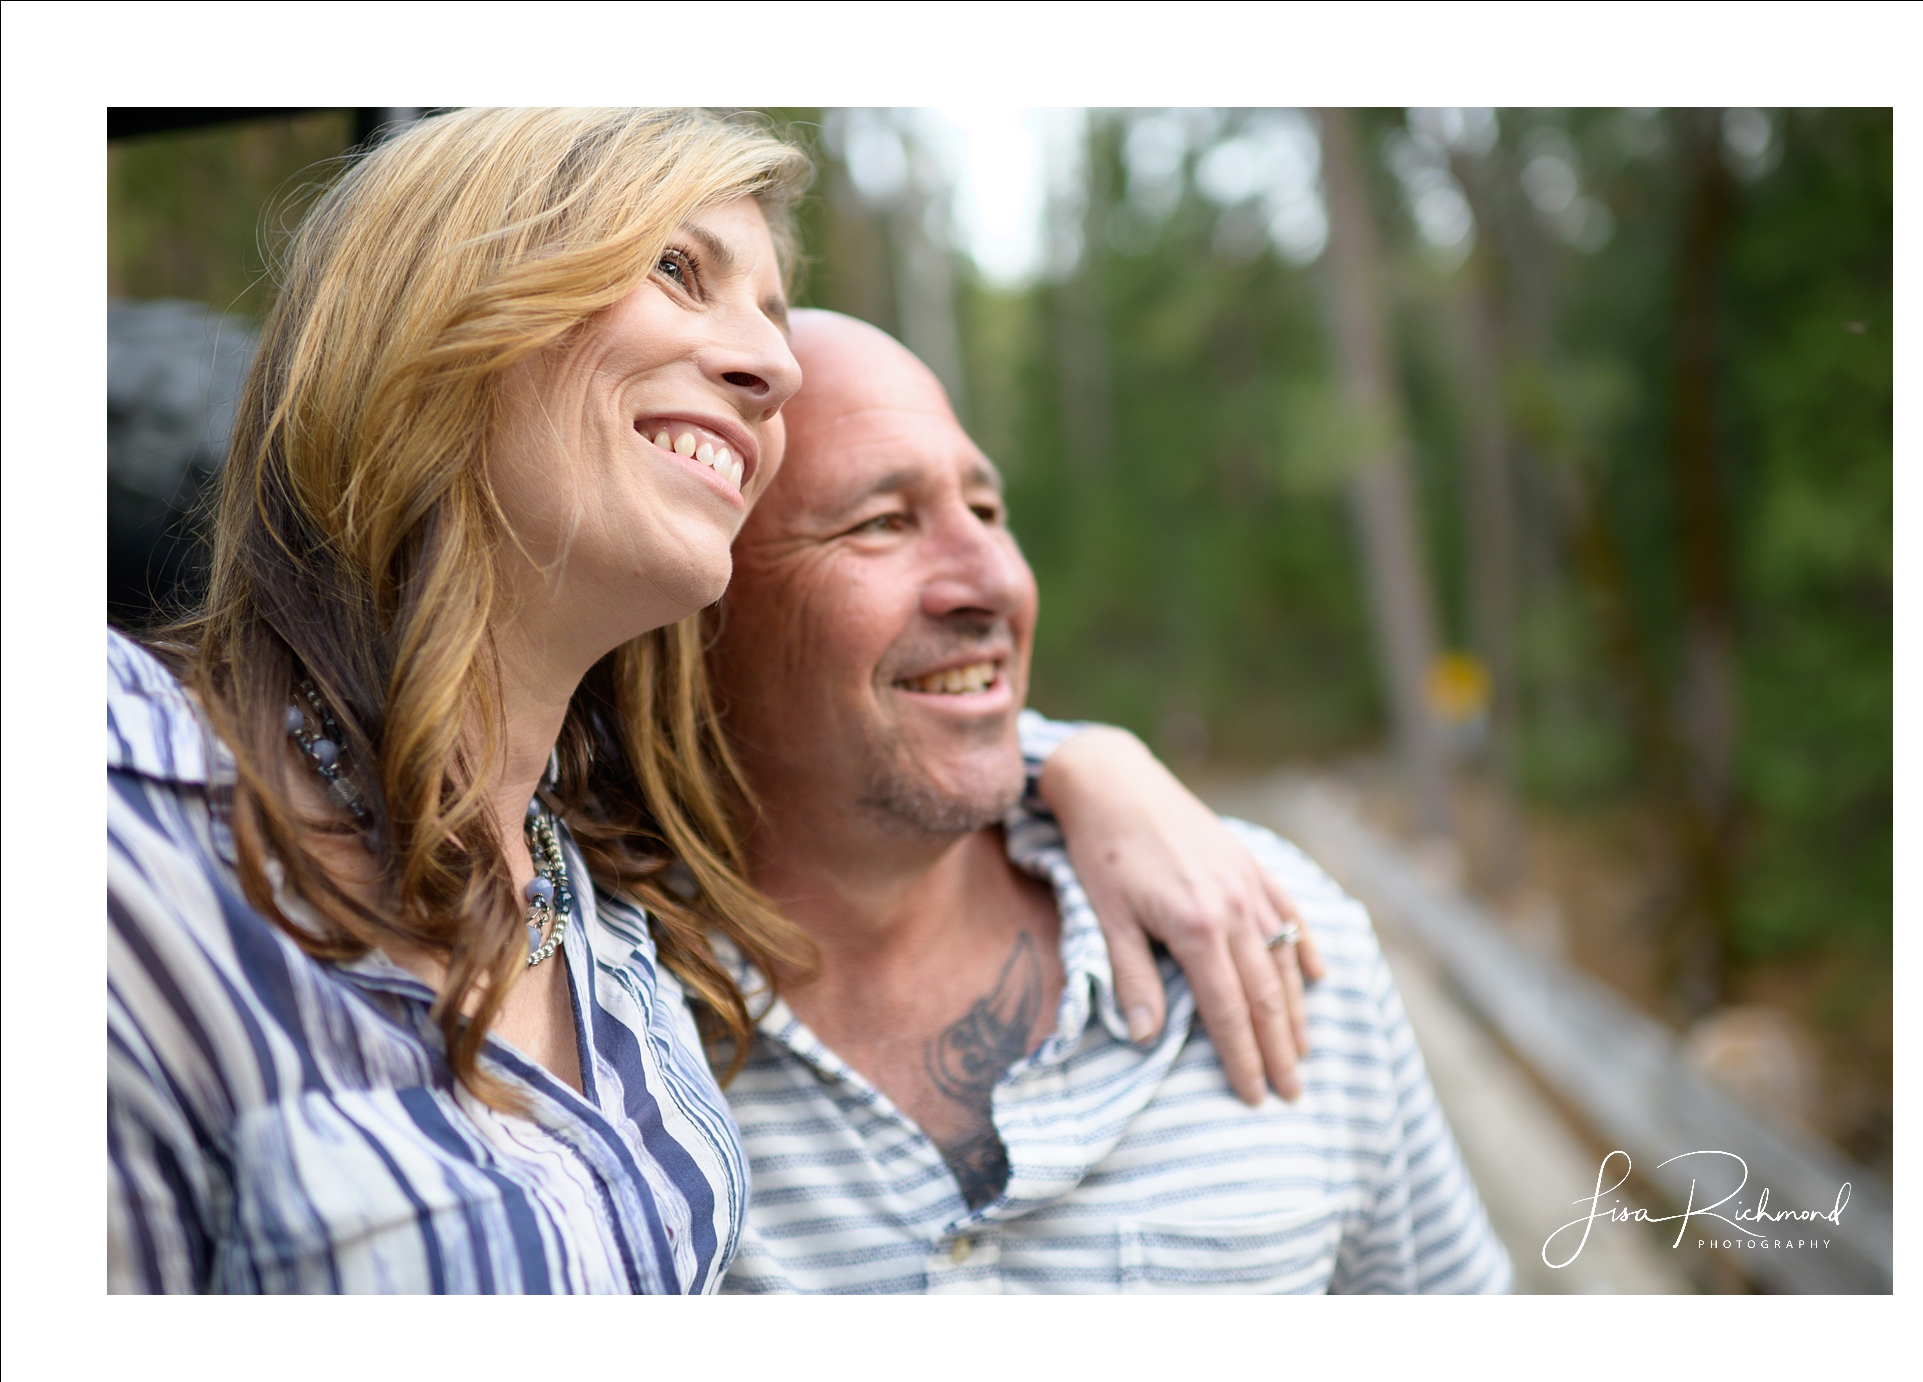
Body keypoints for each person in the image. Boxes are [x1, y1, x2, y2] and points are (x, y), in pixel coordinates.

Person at [108, 108, 1314, 1294]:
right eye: (677, 268)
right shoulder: (121, 799)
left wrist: (1069, 761)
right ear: (428, 311)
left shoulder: (610, 930)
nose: (774, 367)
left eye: (769, 318)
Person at [709, 311, 1513, 1293]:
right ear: (691, 602)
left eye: (989, 512)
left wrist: (1073, 754)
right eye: (881, 522)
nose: (996, 580)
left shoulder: (1266, 925)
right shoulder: (591, 1025)